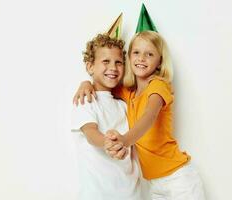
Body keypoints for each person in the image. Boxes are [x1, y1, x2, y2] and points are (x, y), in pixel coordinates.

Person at [73, 31, 206, 200]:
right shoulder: (128, 94)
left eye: (149, 54)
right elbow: (105, 83)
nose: (141, 58)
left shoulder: (158, 86)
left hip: (177, 178)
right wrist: (85, 82)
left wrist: (125, 141)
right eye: (136, 52)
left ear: (159, 62)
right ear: (129, 58)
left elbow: (149, 117)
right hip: (154, 184)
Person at [71, 34, 142, 200]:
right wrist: (108, 143)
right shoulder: (85, 100)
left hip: (131, 194)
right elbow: (90, 133)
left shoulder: (124, 105)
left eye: (118, 62)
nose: (113, 67)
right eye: (106, 61)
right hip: (97, 194)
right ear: (90, 67)